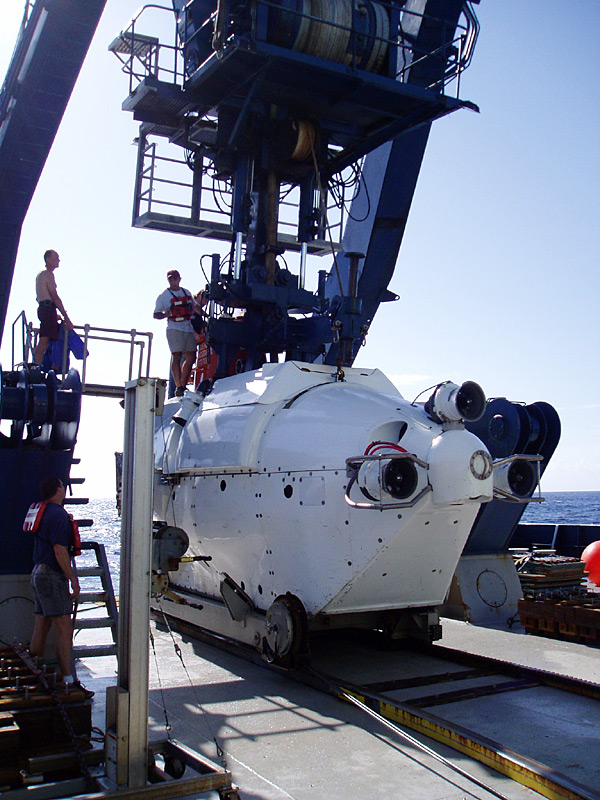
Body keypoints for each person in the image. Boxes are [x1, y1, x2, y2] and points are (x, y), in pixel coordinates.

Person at [26, 476, 93, 697]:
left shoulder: (43, 511)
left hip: (38, 572)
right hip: (52, 576)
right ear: (59, 489)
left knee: (42, 625)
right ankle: (68, 681)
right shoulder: (58, 515)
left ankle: (32, 673)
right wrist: (73, 579)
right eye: (63, 486)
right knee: (64, 629)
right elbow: (59, 550)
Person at [154, 270, 197, 396]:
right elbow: (156, 314)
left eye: (174, 279)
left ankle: (183, 384)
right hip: (174, 328)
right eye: (170, 279)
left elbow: (194, 307)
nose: (172, 281)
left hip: (187, 327)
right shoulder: (164, 296)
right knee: (176, 355)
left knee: (191, 356)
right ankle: (178, 386)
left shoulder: (186, 292)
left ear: (179, 279)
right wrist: (164, 314)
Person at [33, 250, 73, 366]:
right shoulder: (47, 274)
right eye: (56, 258)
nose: (58, 261)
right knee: (44, 341)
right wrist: (67, 318)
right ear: (48, 260)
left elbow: (40, 297)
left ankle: (42, 368)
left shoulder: (41, 275)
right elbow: (54, 297)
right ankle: (36, 368)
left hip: (46, 309)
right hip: (47, 309)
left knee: (50, 340)